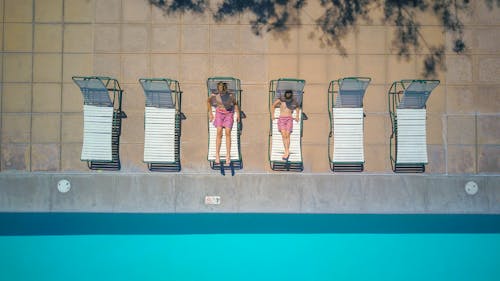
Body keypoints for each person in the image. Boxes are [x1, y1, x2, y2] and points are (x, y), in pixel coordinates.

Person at [207, 81, 240, 165]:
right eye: (220, 92)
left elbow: (235, 104)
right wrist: (210, 113)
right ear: (218, 90)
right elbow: (208, 101)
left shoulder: (231, 95)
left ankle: (228, 155)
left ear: (226, 90)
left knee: (228, 132)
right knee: (219, 132)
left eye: (223, 92)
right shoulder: (215, 95)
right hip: (219, 113)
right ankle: (217, 155)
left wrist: (238, 114)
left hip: (228, 113)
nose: (221, 93)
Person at [271, 90, 300, 161]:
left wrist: (297, 116)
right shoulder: (281, 100)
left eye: (289, 95)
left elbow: (297, 107)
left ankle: (286, 151)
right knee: (284, 135)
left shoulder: (293, 101)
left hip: (289, 119)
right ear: (285, 95)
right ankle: (287, 151)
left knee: (287, 135)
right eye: (287, 95)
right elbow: (273, 105)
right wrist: (272, 115)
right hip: (281, 119)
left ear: (291, 95)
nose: (288, 97)